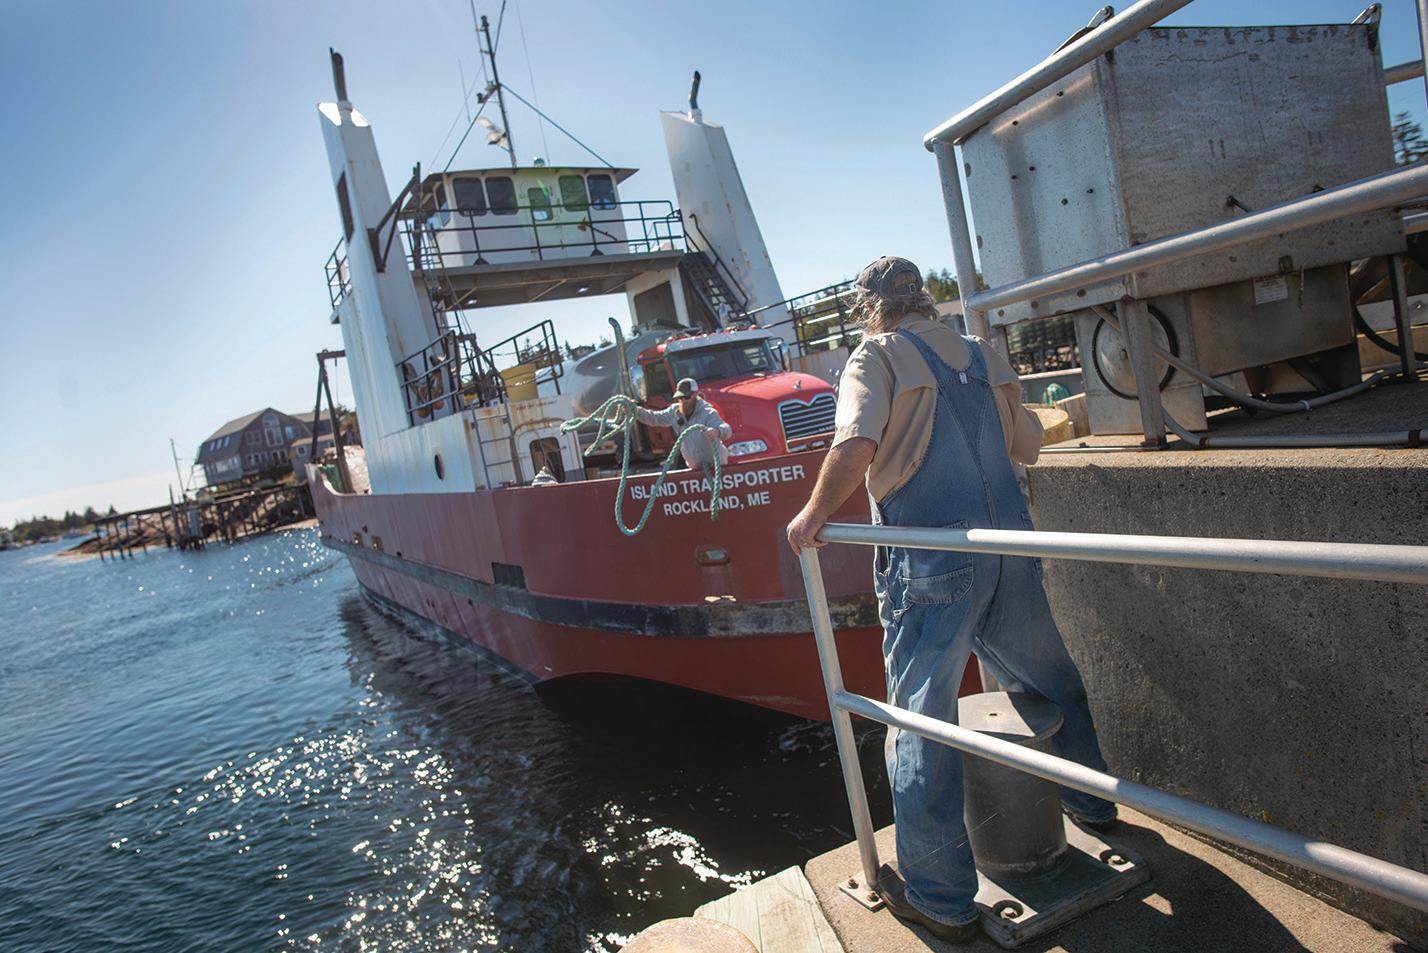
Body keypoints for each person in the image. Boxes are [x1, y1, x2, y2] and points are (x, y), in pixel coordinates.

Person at [785, 257, 1116, 943]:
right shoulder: (979, 351)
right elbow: (1026, 441)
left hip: (931, 562)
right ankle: (1094, 800)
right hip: (1009, 545)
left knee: (920, 721)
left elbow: (856, 443)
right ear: (926, 299)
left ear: (869, 306)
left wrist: (812, 514)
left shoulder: (874, 356)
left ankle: (940, 895)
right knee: (1049, 673)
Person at [633, 377, 732, 475]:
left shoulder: (708, 413)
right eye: (680, 397)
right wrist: (635, 411)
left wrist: (717, 431)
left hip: (716, 469)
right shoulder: (674, 412)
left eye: (687, 397)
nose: (683, 400)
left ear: (695, 395)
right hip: (695, 470)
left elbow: (727, 430)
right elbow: (654, 418)